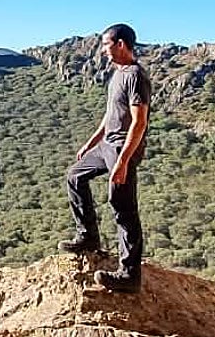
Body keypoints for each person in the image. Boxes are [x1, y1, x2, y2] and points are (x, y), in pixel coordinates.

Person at [58, 24, 151, 293]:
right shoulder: (117, 74)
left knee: (123, 208)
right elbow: (111, 115)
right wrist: (91, 142)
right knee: (74, 175)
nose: (103, 51)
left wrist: (122, 162)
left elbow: (139, 122)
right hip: (107, 146)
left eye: (106, 45)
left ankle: (129, 275)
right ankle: (88, 237)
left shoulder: (135, 76)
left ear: (121, 44)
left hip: (124, 149)